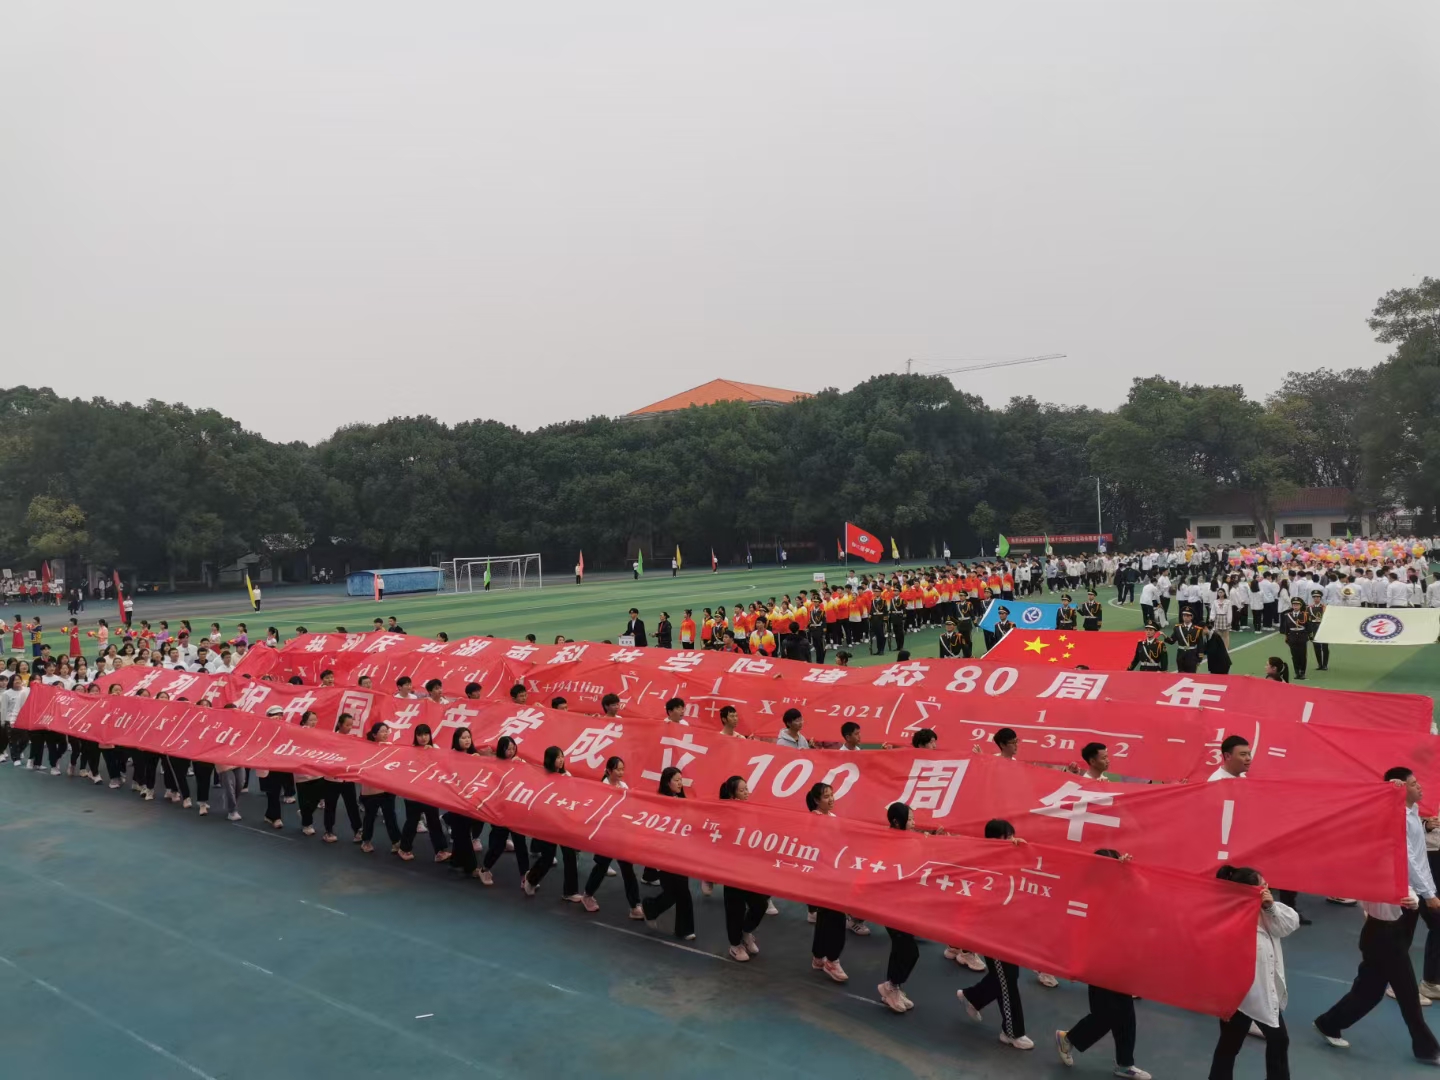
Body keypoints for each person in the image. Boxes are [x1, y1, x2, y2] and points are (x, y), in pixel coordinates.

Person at [1314, 767, 1440, 1065]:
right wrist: (1423, 895)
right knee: (1406, 991)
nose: (1420, 787)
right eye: (1412, 784)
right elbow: (1406, 863)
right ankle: (1426, 1047)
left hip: (1391, 926)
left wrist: (1425, 893)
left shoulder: (1411, 816)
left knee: (1370, 990)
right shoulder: (1383, 844)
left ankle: (1329, 1022)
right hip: (1384, 930)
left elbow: (1416, 860)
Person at [1056, 849, 1151, 1078]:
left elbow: (1145, 891)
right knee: (1106, 1015)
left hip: (1120, 962)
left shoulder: (1121, 890)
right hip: (1097, 965)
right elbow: (1077, 932)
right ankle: (1068, 1039)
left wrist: (1130, 871)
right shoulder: (1090, 894)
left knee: (1126, 1014)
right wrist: (1077, 962)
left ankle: (1124, 1063)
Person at [1208, 865, 1297, 1080]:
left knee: (1275, 1041)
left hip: (1263, 993)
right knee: (1232, 1045)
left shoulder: (1267, 911)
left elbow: (1289, 924)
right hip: (1240, 997)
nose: (1268, 889)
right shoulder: (1232, 921)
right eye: (1263, 886)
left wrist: (1270, 907)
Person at [959, 818, 1032, 1049]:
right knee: (1007, 979)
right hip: (992, 932)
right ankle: (1012, 1032)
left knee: (1006, 977)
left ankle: (973, 996)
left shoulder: (1009, 858)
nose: (1012, 840)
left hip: (1009, 929)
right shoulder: (985, 861)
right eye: (1007, 837)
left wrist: (1022, 852)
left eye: (1012, 835)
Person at [580, 756, 642, 917]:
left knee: (627, 869)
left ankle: (635, 906)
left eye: (622, 769)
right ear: (608, 771)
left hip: (620, 834)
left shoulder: (624, 786)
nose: (621, 772)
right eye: (618, 769)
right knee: (601, 867)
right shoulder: (602, 787)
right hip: (606, 834)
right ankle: (587, 895)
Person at [876, 802, 921, 1012]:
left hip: (906, 904)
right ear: (896, 821)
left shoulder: (909, 840)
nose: (914, 823)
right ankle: (890, 986)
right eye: (910, 819)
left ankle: (893, 986)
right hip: (890, 904)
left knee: (900, 947)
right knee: (909, 950)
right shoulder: (888, 843)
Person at [640, 766, 695, 939]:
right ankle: (683, 929)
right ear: (667, 782)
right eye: (676, 780)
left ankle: (652, 907)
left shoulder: (683, 801)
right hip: (665, 854)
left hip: (680, 853)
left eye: (681, 780)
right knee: (679, 892)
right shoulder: (660, 803)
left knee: (675, 892)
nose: (680, 783)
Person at [718, 775, 768, 962]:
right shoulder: (726, 813)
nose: (747, 792)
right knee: (735, 909)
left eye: (747, 788)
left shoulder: (751, 810)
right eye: (742, 790)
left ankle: (746, 932)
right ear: (732, 794)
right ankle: (735, 945)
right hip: (732, 869)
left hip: (750, 868)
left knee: (760, 904)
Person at [523, 746, 580, 900]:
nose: (561, 760)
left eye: (562, 757)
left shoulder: (567, 775)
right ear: (550, 759)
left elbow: (573, 796)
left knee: (569, 855)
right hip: (547, 823)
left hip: (564, 822)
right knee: (548, 857)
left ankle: (570, 891)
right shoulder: (542, 776)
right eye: (557, 757)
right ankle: (531, 879)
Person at [806, 782, 848, 982]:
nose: (831, 799)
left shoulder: (833, 818)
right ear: (816, 800)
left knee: (824, 917)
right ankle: (832, 960)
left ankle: (818, 956)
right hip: (823, 877)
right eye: (826, 796)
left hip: (835, 875)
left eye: (832, 795)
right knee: (837, 919)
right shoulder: (813, 821)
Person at [479, 737, 531, 885]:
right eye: (508, 749)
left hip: (515, 811)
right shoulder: (495, 765)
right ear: (502, 749)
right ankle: (485, 869)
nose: (512, 751)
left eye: (513, 748)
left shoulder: (519, 763)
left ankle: (525, 876)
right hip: (500, 812)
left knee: (520, 843)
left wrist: (521, 766)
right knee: (499, 844)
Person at [398, 725, 450, 863]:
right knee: (412, 822)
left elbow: (443, 767)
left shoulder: (435, 749)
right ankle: (404, 848)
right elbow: (407, 770)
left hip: (430, 794)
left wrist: (432, 752)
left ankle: (440, 851)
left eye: (426, 734)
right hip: (413, 794)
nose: (423, 737)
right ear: (415, 736)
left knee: (434, 822)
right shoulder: (410, 751)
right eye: (420, 735)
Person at [358, 721, 402, 854]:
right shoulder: (367, 748)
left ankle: (396, 842)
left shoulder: (392, 747)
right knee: (370, 816)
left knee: (390, 816)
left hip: (387, 788)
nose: (385, 734)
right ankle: (366, 841)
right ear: (374, 735)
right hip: (371, 790)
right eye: (382, 731)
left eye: (386, 731)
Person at [1278, 597, 1310, 680]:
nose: (1295, 606)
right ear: (1292, 605)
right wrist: (1287, 637)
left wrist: (1308, 636)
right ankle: (1297, 672)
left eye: (1297, 605)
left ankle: (1302, 672)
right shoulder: (1288, 615)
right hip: (1292, 637)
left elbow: (1308, 627)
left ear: (1300, 606)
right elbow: (1286, 628)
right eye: (1294, 605)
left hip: (1302, 637)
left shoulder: (1305, 614)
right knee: (1294, 655)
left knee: (1302, 655)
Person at [1166, 609, 1205, 673]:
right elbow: (1172, 641)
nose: (1185, 617)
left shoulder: (1197, 630)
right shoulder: (1177, 628)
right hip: (1181, 656)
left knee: (1191, 675)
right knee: (1181, 675)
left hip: (1192, 656)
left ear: (1191, 617)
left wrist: (1199, 658)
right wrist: (1165, 636)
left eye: (1188, 616)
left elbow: (1200, 645)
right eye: (1184, 615)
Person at [1308, 589, 1330, 672]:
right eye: (1314, 597)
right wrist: (1309, 632)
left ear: (1320, 598)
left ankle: (1325, 664)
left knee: (1325, 647)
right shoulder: (1309, 608)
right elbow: (1308, 621)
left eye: (1318, 597)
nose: (1316, 598)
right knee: (1316, 647)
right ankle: (1319, 664)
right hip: (1314, 628)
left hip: (1323, 628)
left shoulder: (1324, 608)